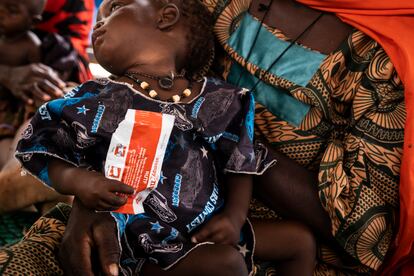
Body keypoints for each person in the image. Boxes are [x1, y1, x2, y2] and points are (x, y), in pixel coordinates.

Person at [52, 0, 413, 276]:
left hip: (273, 254)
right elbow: (136, 86)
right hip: (140, 207)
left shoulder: (380, 62)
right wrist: (90, 203)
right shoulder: (213, 6)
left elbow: (367, 235)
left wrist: (227, 136)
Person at [16, 0, 316, 276]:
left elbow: (239, 161)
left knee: (299, 242)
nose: (98, 24)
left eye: (115, 9)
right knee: (226, 264)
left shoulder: (217, 99)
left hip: (206, 224)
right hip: (137, 232)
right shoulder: (98, 99)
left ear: (166, 17)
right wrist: (80, 183)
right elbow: (44, 149)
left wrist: (235, 217)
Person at [0, 0, 94, 213]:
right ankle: (31, 182)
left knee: (50, 116)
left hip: (35, 99)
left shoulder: (69, 10)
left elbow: (73, 53)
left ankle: (31, 182)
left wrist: (52, 84)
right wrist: (6, 74)